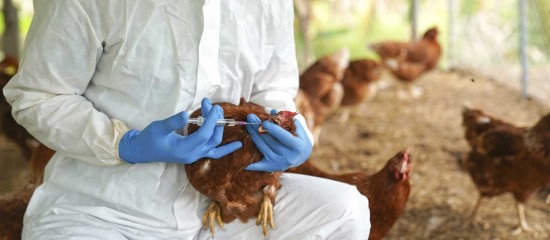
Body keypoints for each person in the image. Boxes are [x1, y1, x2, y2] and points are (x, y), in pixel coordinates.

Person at [3, 0, 371, 239]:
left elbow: (273, 86)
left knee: (344, 211)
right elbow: (38, 95)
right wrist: (124, 143)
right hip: (104, 213)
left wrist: (286, 126)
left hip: (222, 208)